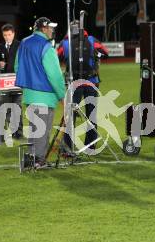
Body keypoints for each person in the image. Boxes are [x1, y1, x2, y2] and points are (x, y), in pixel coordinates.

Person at [15, 17, 65, 168]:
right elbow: (55, 75)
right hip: (45, 95)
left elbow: (17, 67)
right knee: (42, 131)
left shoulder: (24, 43)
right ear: (44, 28)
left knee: (34, 130)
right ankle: (38, 161)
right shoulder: (46, 46)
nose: (52, 30)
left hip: (29, 95)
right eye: (50, 28)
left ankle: (32, 159)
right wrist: (62, 96)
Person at [57, 20, 109, 154]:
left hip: (74, 83)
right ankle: (90, 146)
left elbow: (57, 57)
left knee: (70, 115)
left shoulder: (65, 43)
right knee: (91, 115)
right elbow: (105, 52)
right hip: (91, 82)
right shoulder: (91, 40)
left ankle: (67, 146)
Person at [0, 23, 23, 139]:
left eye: (9, 35)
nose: (7, 37)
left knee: (17, 107)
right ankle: (10, 130)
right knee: (6, 107)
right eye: (5, 35)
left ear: (13, 34)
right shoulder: (0, 47)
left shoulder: (20, 45)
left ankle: (18, 132)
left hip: (17, 81)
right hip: (4, 82)